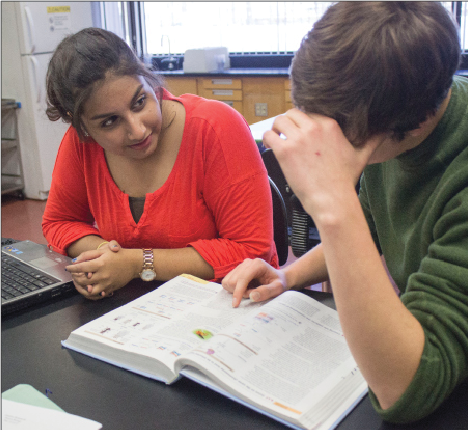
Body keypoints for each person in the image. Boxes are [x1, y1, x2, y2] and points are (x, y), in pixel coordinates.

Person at [222, 1, 468, 424]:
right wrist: (288, 275)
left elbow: (406, 389)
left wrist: (334, 204)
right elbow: (370, 231)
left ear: (403, 126)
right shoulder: (397, 113)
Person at [42, 27, 278, 301]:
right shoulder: (81, 143)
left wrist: (136, 263)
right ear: (81, 124)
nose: (138, 130)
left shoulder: (215, 128)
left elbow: (251, 249)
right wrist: (105, 256)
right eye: (109, 122)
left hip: (229, 302)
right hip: (139, 310)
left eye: (140, 102)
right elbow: (60, 221)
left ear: (147, 77)